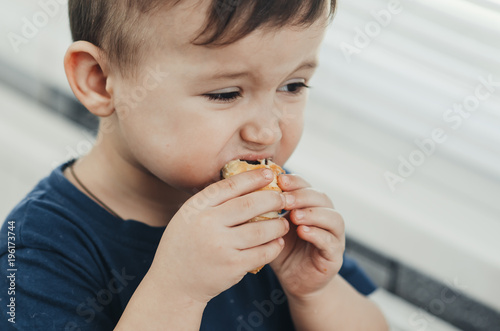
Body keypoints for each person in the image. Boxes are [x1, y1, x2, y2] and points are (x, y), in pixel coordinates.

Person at [0, 0, 389, 329]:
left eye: (293, 86)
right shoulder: (38, 249)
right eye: (225, 93)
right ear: (101, 81)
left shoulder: (274, 207)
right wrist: (179, 292)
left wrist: (315, 291)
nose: (267, 131)